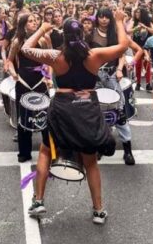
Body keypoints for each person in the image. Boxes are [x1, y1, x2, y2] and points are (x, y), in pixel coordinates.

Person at [21, 12, 128, 225]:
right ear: (83, 33)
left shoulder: (56, 56)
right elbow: (123, 46)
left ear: (64, 35)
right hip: (87, 108)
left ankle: (39, 201)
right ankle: (98, 210)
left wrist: (42, 29)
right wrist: (119, 21)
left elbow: (25, 49)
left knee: (45, 151)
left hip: (62, 108)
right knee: (90, 161)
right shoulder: (94, 55)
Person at [89, 7, 138, 165]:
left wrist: (119, 69)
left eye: (107, 17)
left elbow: (122, 54)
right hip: (95, 77)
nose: (104, 20)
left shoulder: (116, 33)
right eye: (101, 17)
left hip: (111, 74)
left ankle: (127, 150)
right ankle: (99, 147)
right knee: (96, 112)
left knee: (119, 111)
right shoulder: (90, 34)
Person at [6, 13, 49, 163]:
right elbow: (9, 61)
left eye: (36, 20)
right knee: (23, 117)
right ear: (24, 25)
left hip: (40, 81)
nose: (34, 23)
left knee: (45, 116)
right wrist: (13, 74)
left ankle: (50, 148)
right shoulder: (17, 41)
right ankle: (24, 152)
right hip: (23, 82)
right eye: (30, 21)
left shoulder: (44, 40)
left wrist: (48, 77)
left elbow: (50, 59)